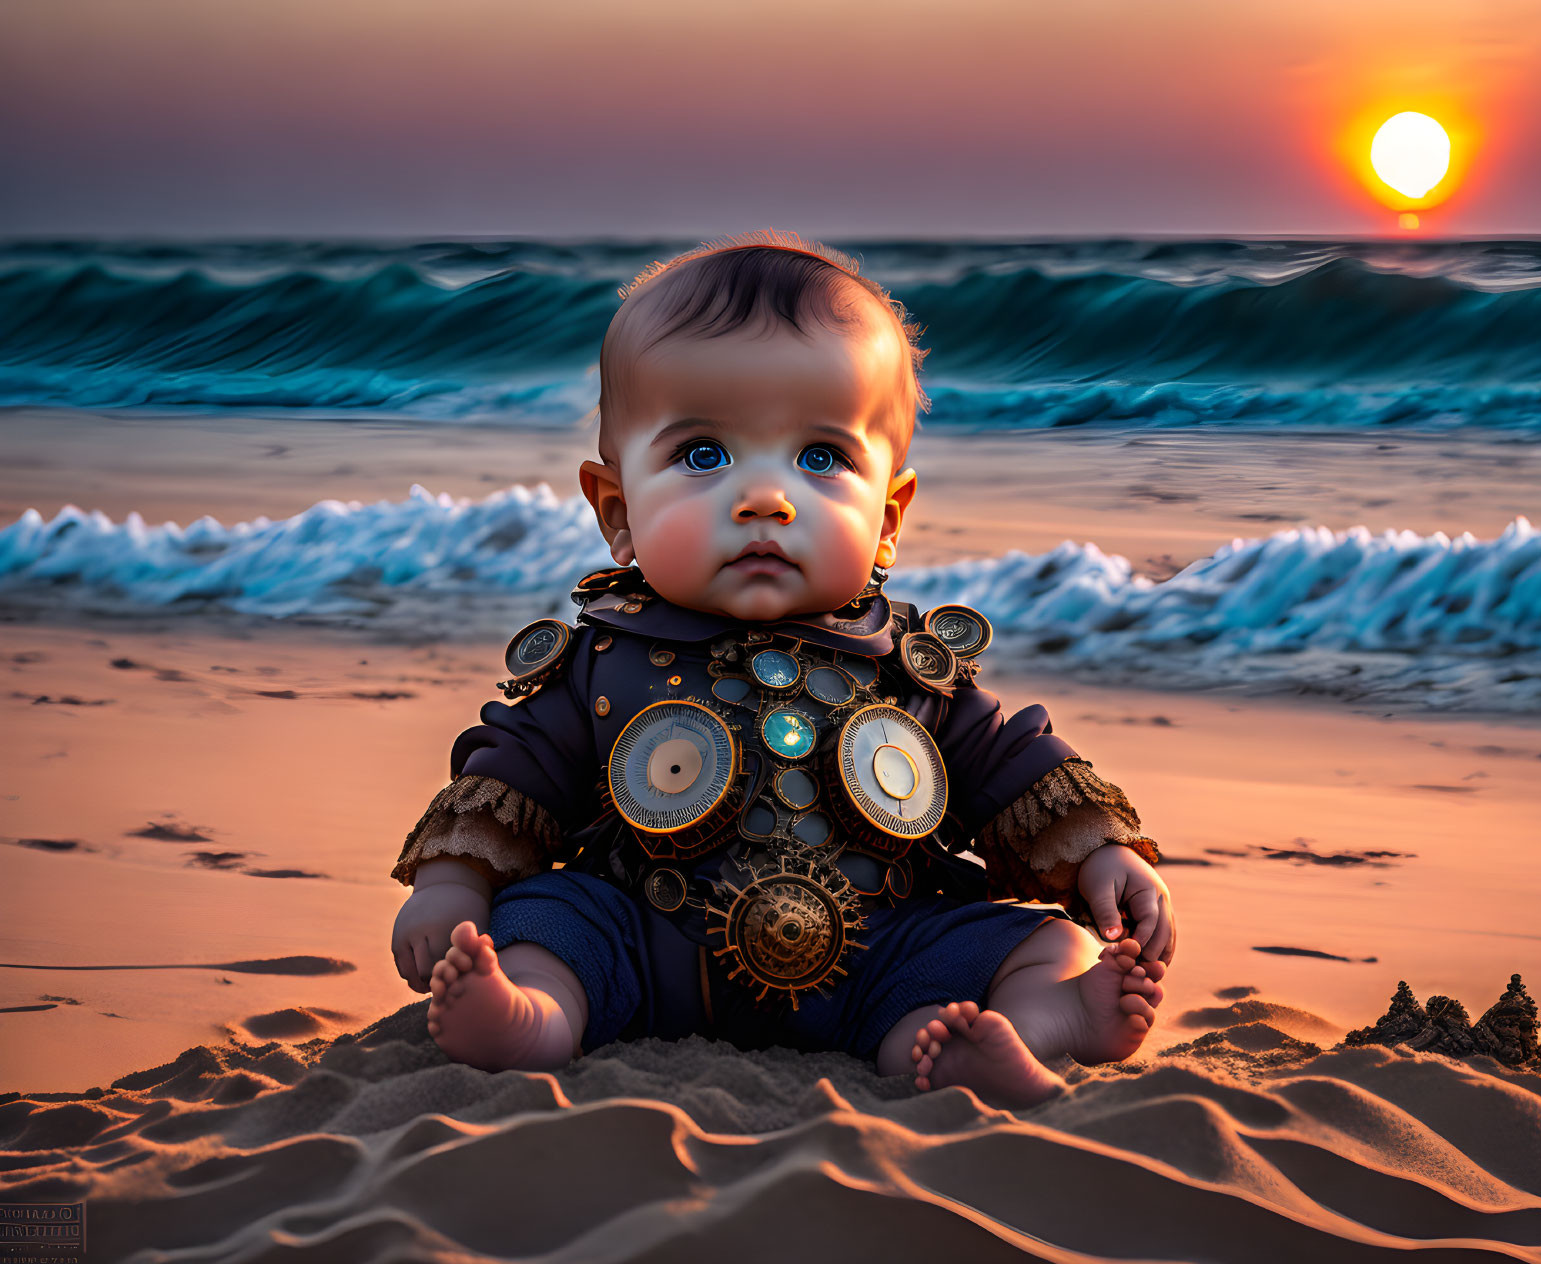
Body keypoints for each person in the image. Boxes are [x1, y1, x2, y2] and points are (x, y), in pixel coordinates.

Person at [389, 231, 1176, 1107]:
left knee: (1037, 943)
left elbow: (1008, 761)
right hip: (648, 948)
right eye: (702, 455)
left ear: (888, 517)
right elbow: (513, 774)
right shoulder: (601, 657)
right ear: (617, 509)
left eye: (820, 458)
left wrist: (1103, 855)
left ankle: (1022, 1027)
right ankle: (530, 1016)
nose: (764, 497)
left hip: (878, 952)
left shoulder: (911, 665)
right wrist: (451, 882)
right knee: (546, 924)